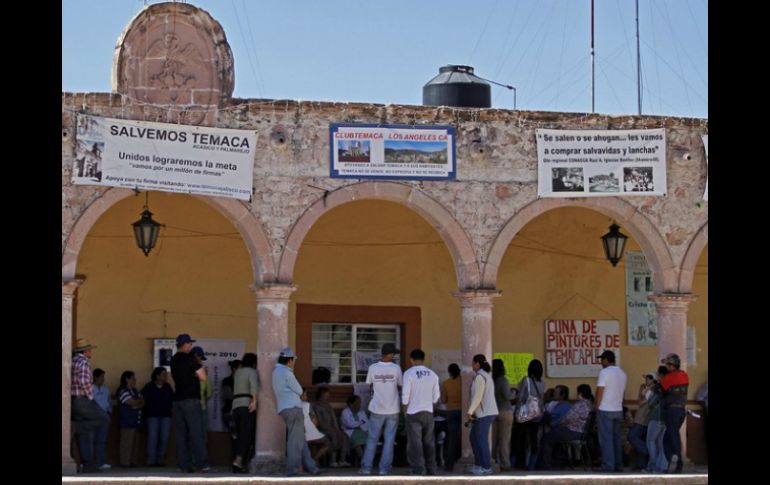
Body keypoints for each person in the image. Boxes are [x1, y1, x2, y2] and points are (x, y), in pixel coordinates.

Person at [272, 347, 320, 476]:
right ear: (289, 360)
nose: (294, 362)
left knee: (300, 440)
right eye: (293, 360)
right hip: (293, 409)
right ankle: (293, 470)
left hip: (284, 409)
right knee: (295, 441)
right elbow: (299, 390)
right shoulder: (287, 373)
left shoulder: (276, 372)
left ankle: (312, 468)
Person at [359, 342, 403, 476]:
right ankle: (384, 469)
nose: (394, 356)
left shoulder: (373, 368)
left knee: (372, 439)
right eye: (393, 353)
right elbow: (400, 386)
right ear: (389, 354)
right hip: (393, 409)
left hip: (377, 408)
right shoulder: (396, 368)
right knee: (389, 440)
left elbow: (369, 385)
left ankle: (366, 468)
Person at [170, 333, 208, 473]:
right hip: (191, 399)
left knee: (181, 435)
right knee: (196, 433)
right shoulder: (190, 358)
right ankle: (201, 464)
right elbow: (203, 377)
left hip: (177, 400)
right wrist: (197, 371)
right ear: (185, 344)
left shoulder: (173, 360)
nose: (191, 346)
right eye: (190, 343)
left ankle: (183, 465)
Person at [71, 338, 110, 473]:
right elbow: (84, 381)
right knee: (103, 419)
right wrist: (91, 396)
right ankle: (77, 427)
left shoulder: (73, 361)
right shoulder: (84, 362)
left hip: (74, 400)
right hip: (83, 399)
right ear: (86, 351)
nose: (91, 352)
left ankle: (88, 464)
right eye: (90, 350)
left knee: (85, 433)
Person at [401, 348, 440, 476]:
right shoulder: (433, 375)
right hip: (428, 412)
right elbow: (436, 397)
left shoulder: (408, 373)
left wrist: (405, 412)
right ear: (424, 359)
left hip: (413, 412)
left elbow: (405, 396)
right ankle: (431, 468)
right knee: (429, 442)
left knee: (415, 442)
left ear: (411, 359)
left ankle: (418, 469)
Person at [538, 384, 594, 469]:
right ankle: (558, 462)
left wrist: (557, 423)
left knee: (547, 437)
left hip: (573, 431)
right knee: (555, 434)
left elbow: (567, 418)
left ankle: (546, 465)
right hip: (581, 432)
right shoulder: (590, 404)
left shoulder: (579, 404)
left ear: (580, 393)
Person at [595, 350, 628, 472]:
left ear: (606, 360)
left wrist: (597, 407)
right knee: (616, 439)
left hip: (605, 409)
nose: (600, 362)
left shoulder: (604, 372)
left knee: (606, 439)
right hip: (618, 410)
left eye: (601, 360)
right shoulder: (622, 373)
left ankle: (608, 466)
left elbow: (600, 391)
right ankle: (618, 465)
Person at [467, 354, 498, 476]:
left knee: (480, 440)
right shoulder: (485, 376)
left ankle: (486, 467)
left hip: (484, 414)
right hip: (483, 413)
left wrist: (470, 411)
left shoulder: (480, 376)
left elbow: (478, 396)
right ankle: (479, 465)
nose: (472, 365)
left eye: (473, 363)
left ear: (477, 364)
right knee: (474, 438)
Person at [514, 359, 546, 470]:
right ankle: (532, 464)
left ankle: (518, 463)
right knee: (534, 440)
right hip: (537, 415)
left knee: (520, 438)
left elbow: (520, 398)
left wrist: (517, 410)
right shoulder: (542, 382)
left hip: (525, 414)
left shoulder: (526, 380)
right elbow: (542, 398)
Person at [660, 353, 689, 473]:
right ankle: (672, 461)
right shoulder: (685, 376)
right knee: (668, 438)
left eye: (667, 364)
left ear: (672, 365)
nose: (666, 366)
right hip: (681, 411)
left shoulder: (668, 378)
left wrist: (659, 380)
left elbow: (662, 389)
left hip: (672, 411)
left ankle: (677, 461)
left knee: (672, 437)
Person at [231, 353, 258, 473]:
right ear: (254, 363)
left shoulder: (238, 372)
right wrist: (254, 402)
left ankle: (238, 462)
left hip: (235, 405)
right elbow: (254, 387)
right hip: (247, 404)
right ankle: (238, 461)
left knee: (238, 434)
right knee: (246, 434)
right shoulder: (252, 372)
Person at [142, 367, 173, 467]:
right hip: (152, 416)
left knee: (164, 438)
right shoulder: (149, 387)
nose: (166, 376)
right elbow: (142, 399)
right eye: (163, 374)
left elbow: (172, 400)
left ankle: (160, 460)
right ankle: (151, 461)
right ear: (157, 376)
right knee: (152, 438)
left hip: (166, 416)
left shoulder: (167, 387)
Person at [313, 387, 351, 467]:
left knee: (344, 436)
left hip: (332, 429)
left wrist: (337, 430)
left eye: (328, 394)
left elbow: (334, 419)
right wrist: (333, 430)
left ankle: (342, 460)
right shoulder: (316, 406)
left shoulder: (328, 406)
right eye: (326, 394)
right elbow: (320, 422)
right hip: (322, 429)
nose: (327, 396)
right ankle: (332, 461)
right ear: (321, 395)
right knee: (334, 436)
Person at [643, 366, 669, 474]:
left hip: (656, 417)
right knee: (660, 442)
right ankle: (661, 466)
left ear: (661, 375)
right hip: (665, 418)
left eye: (658, 375)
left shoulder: (659, 387)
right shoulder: (668, 386)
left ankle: (653, 465)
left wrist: (648, 394)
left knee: (651, 441)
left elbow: (651, 402)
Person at [627, 372, 656, 470]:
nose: (646, 381)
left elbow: (640, 402)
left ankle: (649, 453)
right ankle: (642, 465)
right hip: (640, 418)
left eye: (649, 379)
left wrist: (646, 390)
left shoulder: (654, 390)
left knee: (632, 436)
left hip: (645, 419)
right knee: (642, 439)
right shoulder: (645, 388)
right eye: (646, 378)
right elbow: (639, 399)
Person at [191, 345, 213, 469]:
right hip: (194, 407)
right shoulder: (191, 371)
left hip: (200, 407)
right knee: (192, 436)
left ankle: (200, 462)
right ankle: (192, 461)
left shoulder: (203, 374)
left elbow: (209, 392)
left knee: (202, 436)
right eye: (200, 358)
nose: (201, 361)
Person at [116, 370, 145, 467]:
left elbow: (142, 402)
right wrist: (137, 403)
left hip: (136, 421)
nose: (135, 380)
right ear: (127, 379)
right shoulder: (123, 391)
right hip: (127, 421)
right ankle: (125, 462)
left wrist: (137, 404)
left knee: (135, 444)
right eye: (133, 378)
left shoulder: (135, 391)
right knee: (126, 443)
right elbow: (131, 402)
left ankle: (133, 462)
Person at [491, 359, 514, 471]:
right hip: (505, 411)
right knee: (504, 440)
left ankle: (493, 461)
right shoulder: (503, 380)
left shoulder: (491, 380)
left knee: (493, 440)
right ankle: (505, 464)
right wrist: (514, 393)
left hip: (494, 412)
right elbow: (507, 396)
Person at [440, 363, 462, 472]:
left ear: (449, 372)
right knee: (464, 439)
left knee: (451, 439)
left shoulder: (445, 383)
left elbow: (443, 400)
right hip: (463, 412)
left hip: (451, 412)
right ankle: (461, 460)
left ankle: (449, 465)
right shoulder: (464, 382)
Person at [92, 369, 112, 470]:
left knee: (101, 440)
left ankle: (100, 462)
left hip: (104, 416)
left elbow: (109, 402)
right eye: (101, 377)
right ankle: (90, 462)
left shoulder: (106, 389)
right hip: (93, 417)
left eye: (104, 377)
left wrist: (109, 413)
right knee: (92, 440)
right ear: (95, 377)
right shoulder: (91, 388)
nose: (103, 379)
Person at [340, 394, 369, 465]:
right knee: (357, 441)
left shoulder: (362, 412)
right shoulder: (345, 412)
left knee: (369, 441)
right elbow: (350, 424)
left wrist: (358, 425)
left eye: (360, 403)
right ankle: (364, 462)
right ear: (351, 404)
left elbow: (367, 424)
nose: (359, 404)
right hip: (350, 432)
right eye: (357, 403)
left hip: (362, 431)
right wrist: (361, 423)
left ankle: (366, 460)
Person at [221, 359, 241, 450]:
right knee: (235, 435)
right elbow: (227, 396)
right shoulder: (227, 381)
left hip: (240, 411)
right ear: (233, 369)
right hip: (230, 411)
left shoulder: (243, 381)